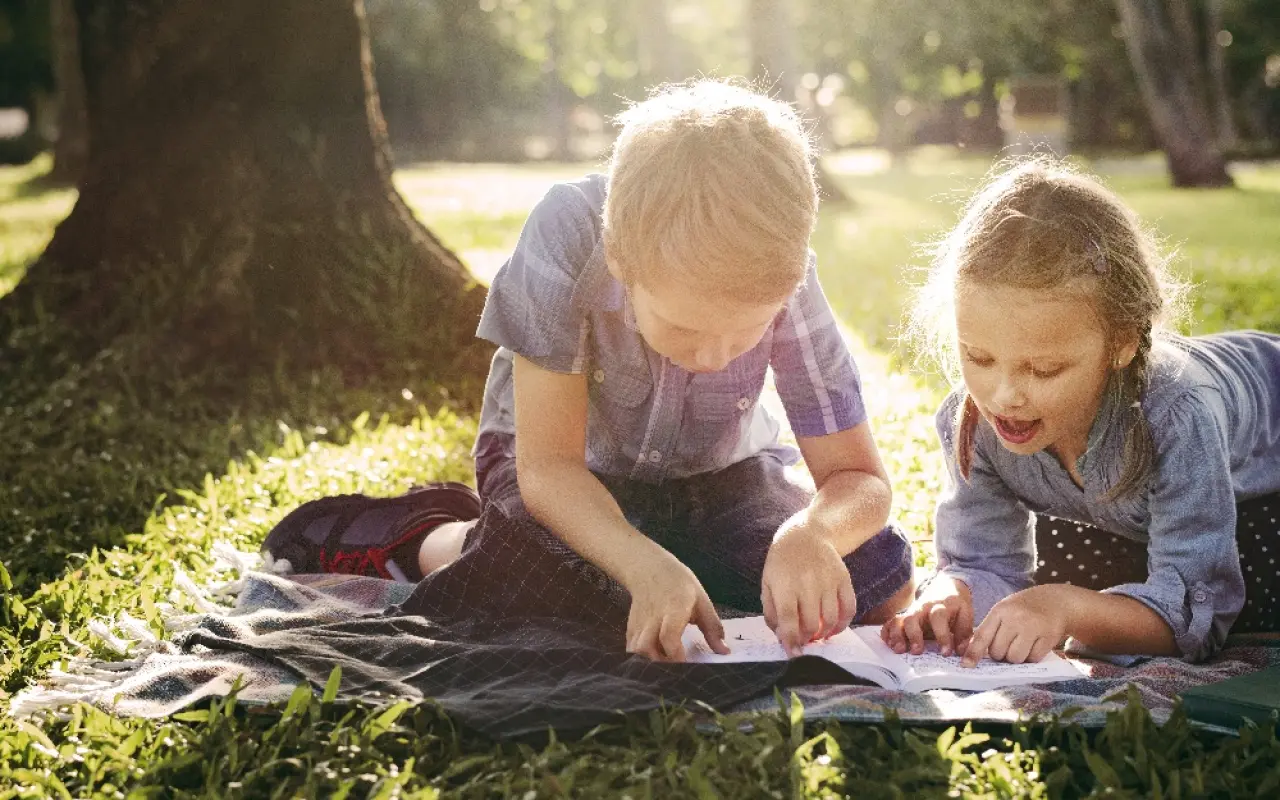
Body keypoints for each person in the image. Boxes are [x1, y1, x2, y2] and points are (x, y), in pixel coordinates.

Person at [269, 79, 915, 662]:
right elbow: (548, 467)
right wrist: (637, 562)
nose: (720, 355)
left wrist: (812, 533)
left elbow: (859, 479)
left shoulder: (780, 269)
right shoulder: (568, 234)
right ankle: (430, 536)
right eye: (687, 329)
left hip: (717, 477)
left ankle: (675, 557)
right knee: (544, 587)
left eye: (747, 332)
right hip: (562, 471)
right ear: (620, 260)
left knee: (876, 577)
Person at [881, 158, 1280, 666]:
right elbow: (983, 561)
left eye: (1044, 369)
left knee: (1232, 577)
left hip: (1261, 479)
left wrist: (1065, 607)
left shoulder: (1177, 415)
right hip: (1135, 510)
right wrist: (952, 594)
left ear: (1122, 344)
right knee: (1066, 569)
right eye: (978, 358)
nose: (1004, 395)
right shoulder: (973, 423)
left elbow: (1197, 617)